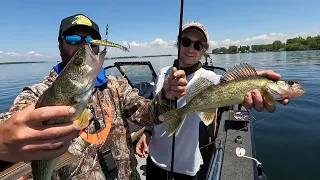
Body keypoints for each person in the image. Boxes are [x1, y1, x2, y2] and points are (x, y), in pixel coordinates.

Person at [0, 13, 188, 180]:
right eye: (73, 39)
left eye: (92, 41)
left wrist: (167, 95)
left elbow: (144, 114)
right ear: (60, 44)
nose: (84, 45)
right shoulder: (40, 93)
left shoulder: (117, 85)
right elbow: (14, 119)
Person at [135, 21, 290, 180]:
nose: (190, 49)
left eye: (198, 45)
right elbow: (154, 107)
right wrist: (147, 132)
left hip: (185, 166)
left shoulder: (208, 78)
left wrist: (255, 81)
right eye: (186, 42)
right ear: (178, 43)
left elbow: (225, 83)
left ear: (204, 51)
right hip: (154, 159)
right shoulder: (162, 72)